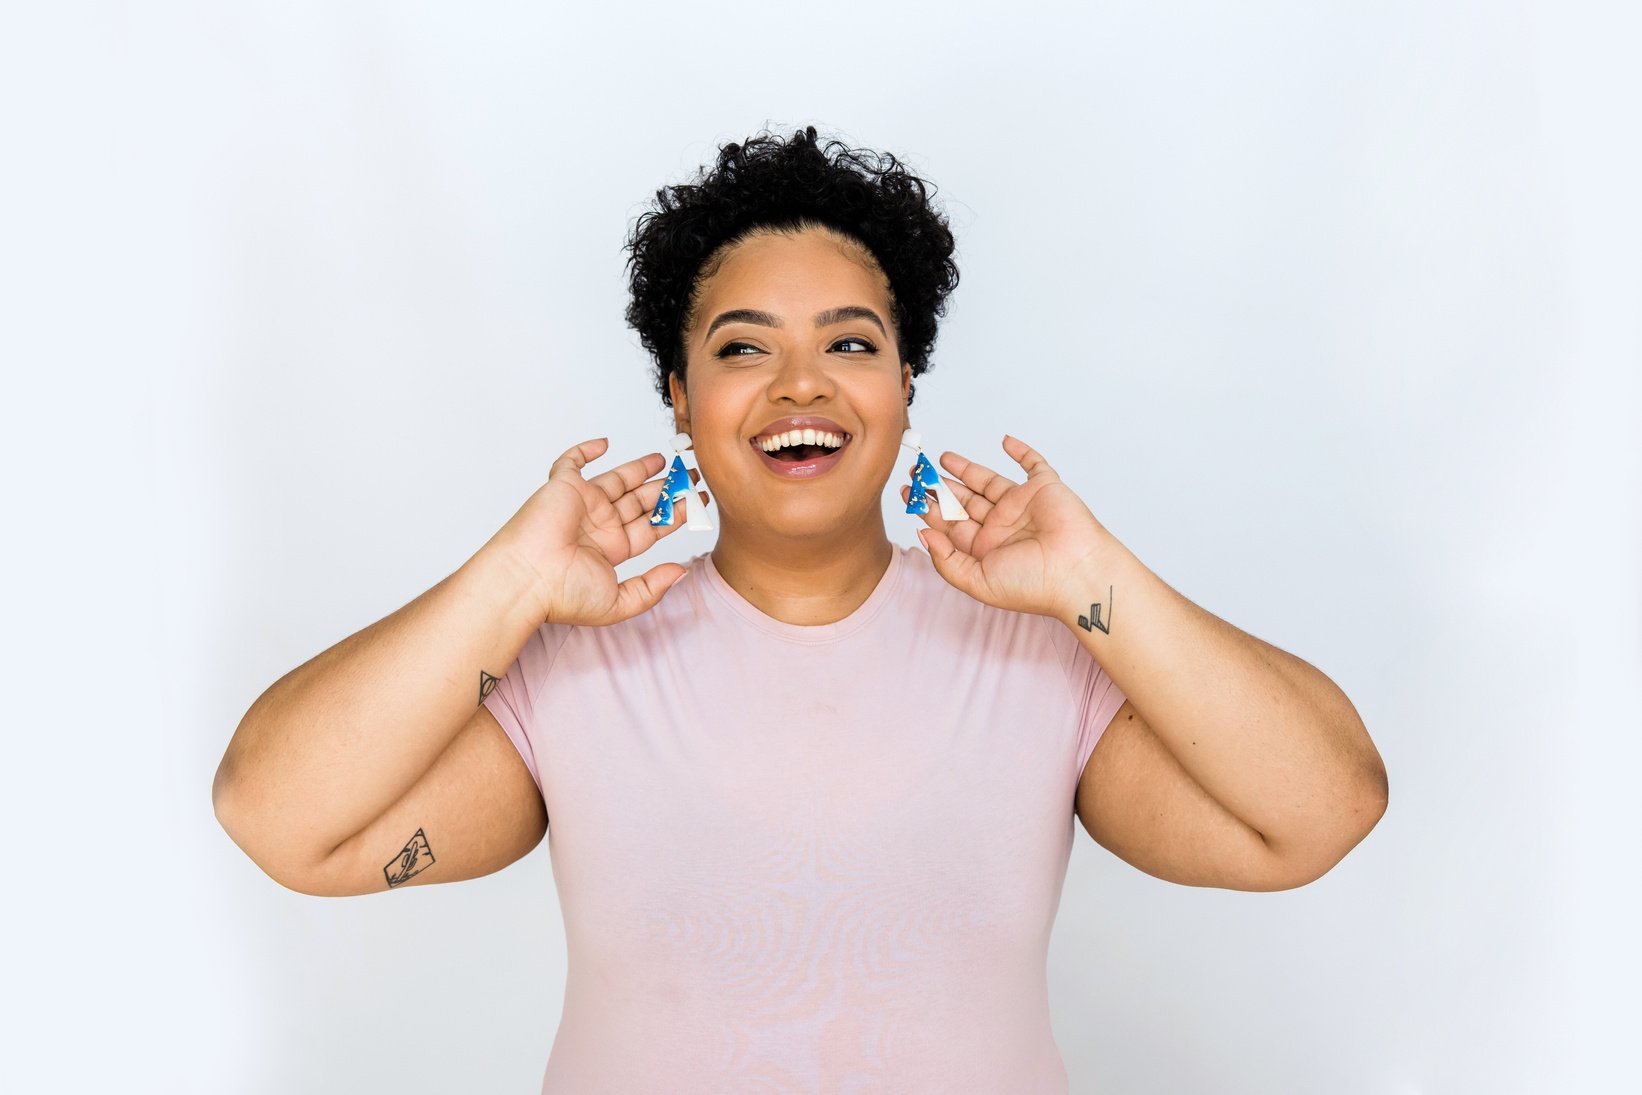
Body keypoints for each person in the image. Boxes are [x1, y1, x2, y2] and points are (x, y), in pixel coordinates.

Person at [213, 125, 1388, 1092]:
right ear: (679, 399)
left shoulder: (1048, 657)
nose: (801, 387)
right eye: (741, 349)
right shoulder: (572, 665)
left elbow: (1319, 813)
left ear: (903, 384)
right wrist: (512, 584)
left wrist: (1097, 587)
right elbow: (282, 821)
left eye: (850, 343)